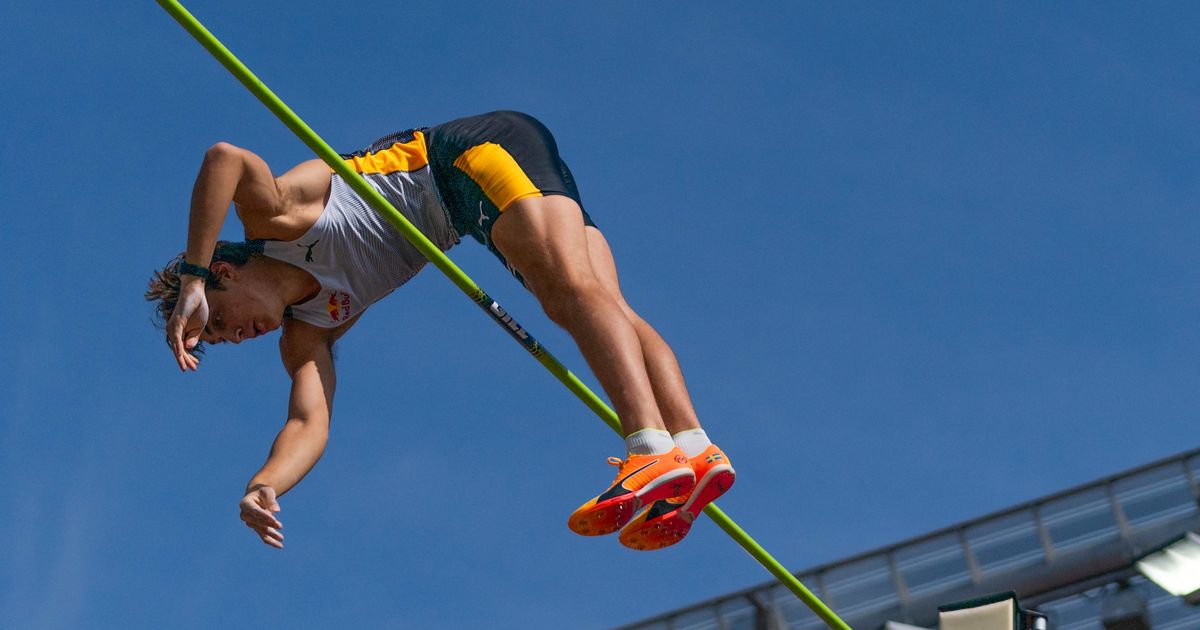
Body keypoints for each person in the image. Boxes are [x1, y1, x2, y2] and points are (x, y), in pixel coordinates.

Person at [146, 111, 734, 552]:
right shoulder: (308, 333)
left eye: (219, 320)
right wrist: (265, 483)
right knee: (606, 307)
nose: (238, 335)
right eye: (224, 341)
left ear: (224, 270)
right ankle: (693, 448)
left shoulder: (276, 216)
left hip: (468, 158)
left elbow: (223, 157)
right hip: (472, 206)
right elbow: (308, 421)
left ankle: (648, 449)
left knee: (568, 296)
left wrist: (190, 279)